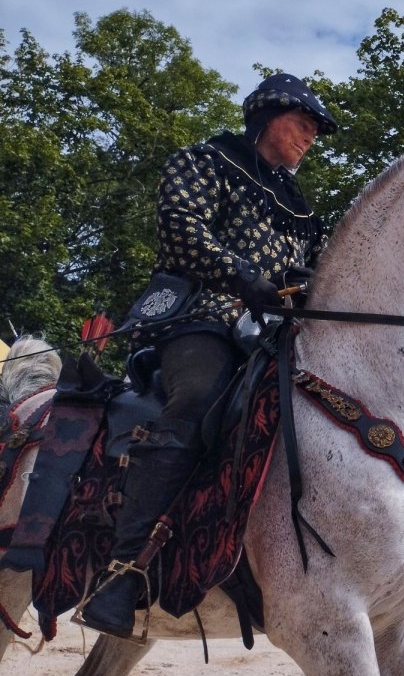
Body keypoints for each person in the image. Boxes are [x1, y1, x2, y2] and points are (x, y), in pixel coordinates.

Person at [80, 73, 338, 638]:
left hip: (273, 331)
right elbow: (180, 228)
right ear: (269, 115)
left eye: (316, 130)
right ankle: (121, 573)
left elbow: (317, 270)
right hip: (201, 315)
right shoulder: (205, 160)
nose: (311, 137)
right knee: (198, 398)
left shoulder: (298, 204)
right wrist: (244, 276)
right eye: (304, 124)